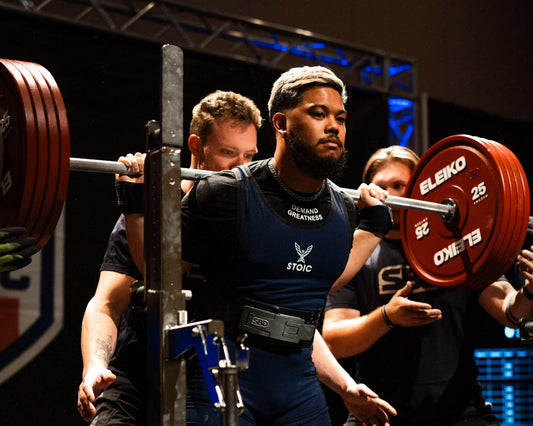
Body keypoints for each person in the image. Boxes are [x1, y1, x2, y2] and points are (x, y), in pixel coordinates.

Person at [119, 66, 398, 425]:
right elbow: (157, 272)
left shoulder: (343, 209)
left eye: (340, 118)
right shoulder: (225, 193)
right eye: (318, 113)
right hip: (220, 377)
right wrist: (134, 202)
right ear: (280, 123)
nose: (334, 126)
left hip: (299, 387)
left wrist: (374, 226)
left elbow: (325, 277)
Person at [77, 90, 263, 424]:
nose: (241, 169)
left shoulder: (252, 225)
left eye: (249, 156)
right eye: (227, 153)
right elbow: (106, 303)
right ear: (195, 146)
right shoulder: (150, 212)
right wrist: (94, 365)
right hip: (136, 376)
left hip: (210, 383)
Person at [322, 145, 533, 426]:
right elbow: (333, 341)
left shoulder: (460, 247)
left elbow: (511, 312)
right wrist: (387, 317)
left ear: (422, 191)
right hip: (380, 411)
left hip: (460, 412)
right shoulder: (355, 255)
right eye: (380, 186)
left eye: (399, 185)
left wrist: (530, 291)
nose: (390, 195)